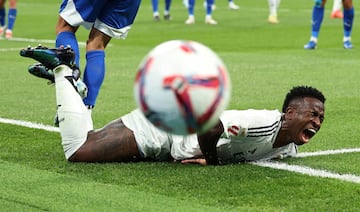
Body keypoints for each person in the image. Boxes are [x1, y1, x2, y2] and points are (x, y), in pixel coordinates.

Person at [20, 46, 326, 165]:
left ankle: (69, 83)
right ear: (289, 113)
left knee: (90, 139)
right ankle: (64, 70)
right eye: (312, 114)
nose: (317, 121)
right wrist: (211, 160)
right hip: (167, 129)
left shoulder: (288, 147)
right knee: (79, 151)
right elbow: (213, 124)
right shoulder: (263, 121)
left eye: (321, 117)